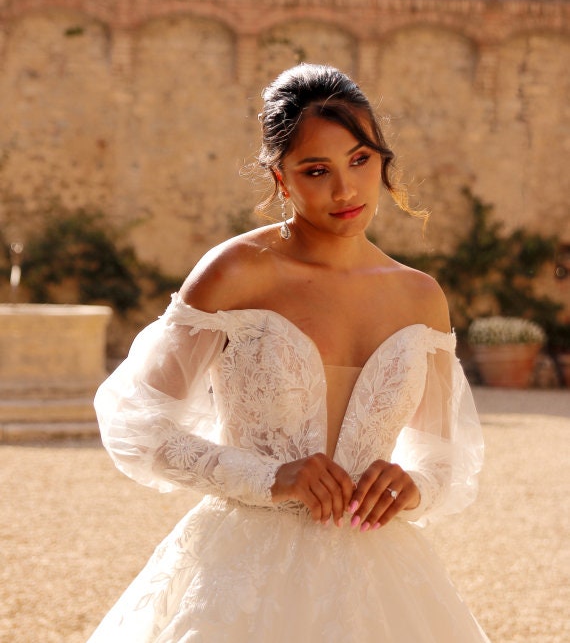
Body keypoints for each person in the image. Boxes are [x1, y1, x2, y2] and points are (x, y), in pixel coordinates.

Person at [88, 63, 489, 642]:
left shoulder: (421, 297)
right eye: (316, 170)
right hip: (242, 575)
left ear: (382, 160)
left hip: (382, 579)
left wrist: (413, 484)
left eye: (360, 160)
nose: (346, 190)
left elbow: (444, 457)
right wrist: (271, 476)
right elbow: (136, 424)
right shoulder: (234, 274)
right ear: (281, 178)